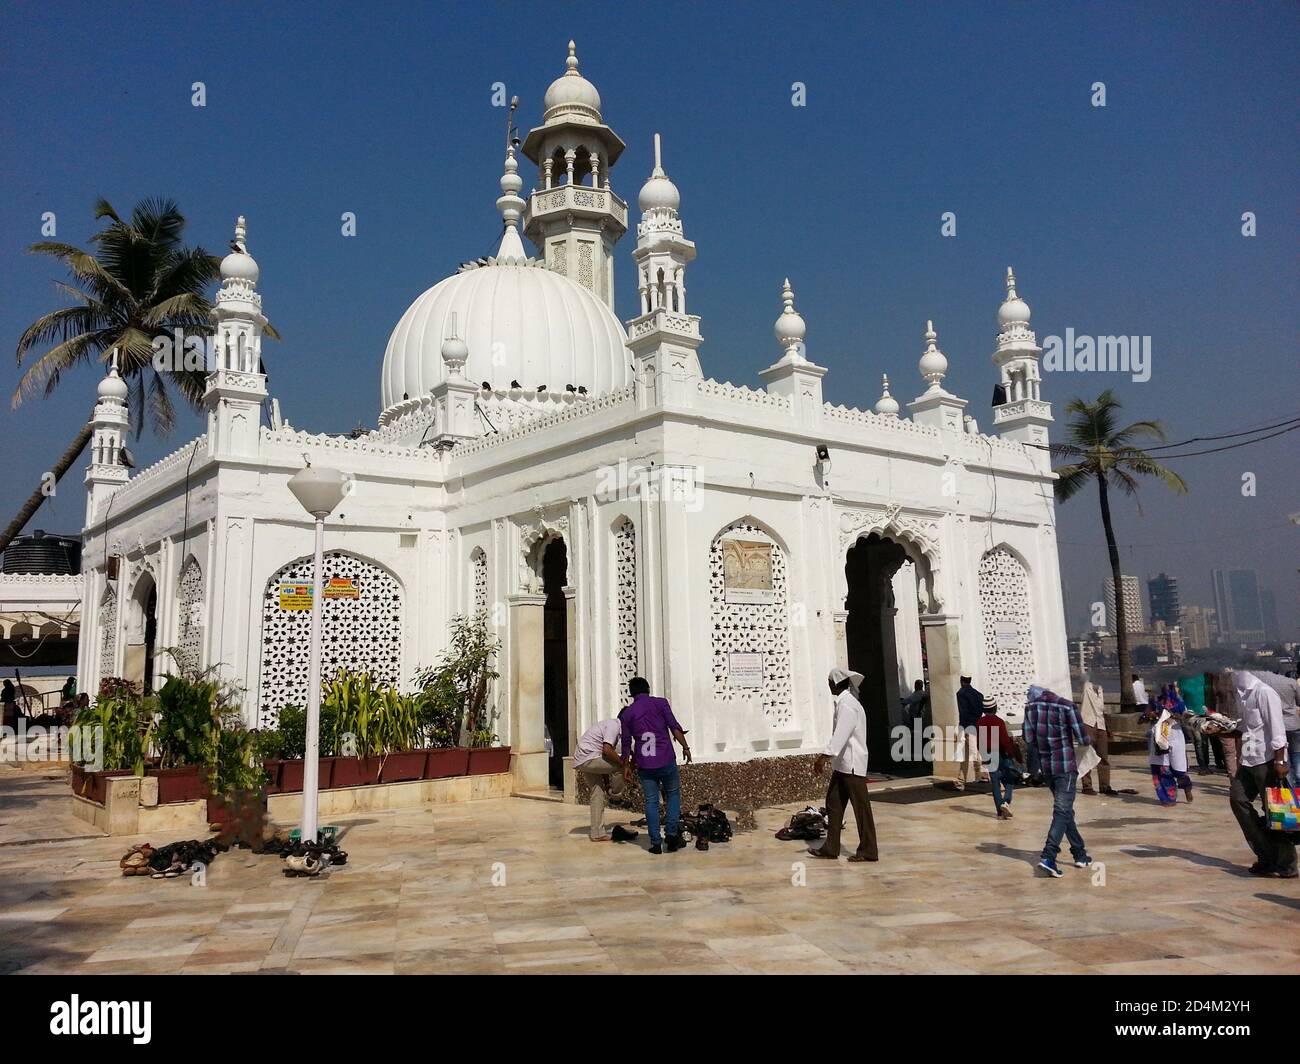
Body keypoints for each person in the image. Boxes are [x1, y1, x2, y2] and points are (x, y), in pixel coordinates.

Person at [1228, 671, 1297, 878]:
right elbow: (1246, 727)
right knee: (1237, 800)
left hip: (1267, 761)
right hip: (1248, 759)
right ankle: (1265, 855)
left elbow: (1277, 728)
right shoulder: (1242, 695)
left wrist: (1280, 760)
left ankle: (1286, 864)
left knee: (1276, 812)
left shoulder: (1264, 693)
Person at [808, 668, 878, 862]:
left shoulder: (847, 705)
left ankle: (868, 850)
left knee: (861, 809)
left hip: (852, 765)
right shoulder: (845, 703)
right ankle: (831, 847)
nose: (828, 684)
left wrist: (824, 756)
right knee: (833, 803)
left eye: (830, 681)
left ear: (837, 684)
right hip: (843, 765)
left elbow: (842, 733)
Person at [1023, 684, 1093, 878]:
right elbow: (1083, 739)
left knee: (1065, 812)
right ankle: (1049, 856)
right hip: (1065, 767)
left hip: (1047, 768)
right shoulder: (1067, 706)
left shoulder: (1030, 708)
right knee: (1062, 811)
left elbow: (1028, 738)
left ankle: (1080, 854)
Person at [620, 676, 691, 855]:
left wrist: (626, 767)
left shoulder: (628, 714)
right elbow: (674, 727)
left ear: (631, 693)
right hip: (666, 759)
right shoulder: (661, 703)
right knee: (673, 795)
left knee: (651, 802)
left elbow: (627, 744)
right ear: (648, 689)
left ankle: (655, 843)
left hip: (645, 765)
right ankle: (672, 834)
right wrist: (685, 747)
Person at [572, 715, 627, 842]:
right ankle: (616, 797)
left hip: (584, 758)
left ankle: (597, 833)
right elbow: (607, 750)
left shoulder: (609, 726)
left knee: (597, 792)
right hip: (588, 758)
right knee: (621, 767)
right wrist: (624, 764)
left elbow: (603, 761)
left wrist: (607, 784)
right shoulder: (615, 725)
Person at [1252, 670, 1300, 786]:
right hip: (1293, 724)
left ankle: (1286, 785)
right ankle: (1297, 782)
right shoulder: (1291, 682)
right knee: (1296, 755)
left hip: (1273, 725)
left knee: (1282, 758)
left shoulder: (1262, 684)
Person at [976, 695, 1020, 819]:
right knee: (1009, 780)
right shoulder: (999, 721)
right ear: (995, 707)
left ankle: (1000, 812)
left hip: (988, 754)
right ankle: (1006, 802)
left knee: (995, 783)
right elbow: (1004, 741)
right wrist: (1011, 755)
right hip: (1000, 754)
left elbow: (980, 741)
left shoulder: (980, 722)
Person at [1147, 691, 1193, 804]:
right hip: (1159, 736)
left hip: (1175, 736)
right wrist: (1152, 715)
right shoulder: (1153, 699)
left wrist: (1174, 716)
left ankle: (1186, 786)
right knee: (1162, 768)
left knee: (1179, 770)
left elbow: (1187, 717)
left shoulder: (1178, 700)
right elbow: (1144, 716)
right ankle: (1168, 798)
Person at [1078, 678, 1116, 796]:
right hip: (1088, 724)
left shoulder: (1100, 690)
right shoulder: (1086, 688)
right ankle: (1087, 786)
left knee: (1103, 756)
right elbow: (1085, 682)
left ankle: (1105, 785)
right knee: (1086, 755)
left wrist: (1108, 728)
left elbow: (1101, 711)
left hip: (1100, 725)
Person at [955, 676, 985, 790]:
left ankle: (984, 773)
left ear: (962, 681)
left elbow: (963, 712)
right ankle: (961, 780)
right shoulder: (978, 694)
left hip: (967, 726)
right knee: (967, 753)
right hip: (976, 725)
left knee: (972, 752)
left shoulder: (961, 694)